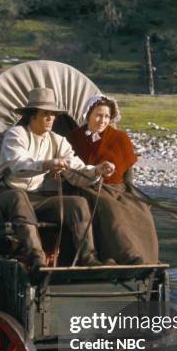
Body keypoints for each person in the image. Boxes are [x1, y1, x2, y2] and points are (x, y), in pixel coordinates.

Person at [0, 87, 115, 269]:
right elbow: (18, 165)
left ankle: (88, 259)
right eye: (45, 114)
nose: (50, 118)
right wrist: (48, 164)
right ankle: (36, 258)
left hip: (34, 198)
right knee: (19, 197)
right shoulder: (16, 135)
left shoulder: (58, 140)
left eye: (53, 115)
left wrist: (97, 170)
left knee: (77, 204)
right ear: (32, 116)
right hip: (4, 195)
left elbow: (76, 170)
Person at [67, 95, 159, 264]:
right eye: (98, 115)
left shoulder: (120, 138)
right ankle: (126, 256)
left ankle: (148, 258)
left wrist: (132, 192)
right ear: (88, 114)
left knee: (141, 209)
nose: (102, 120)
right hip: (90, 188)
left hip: (119, 188)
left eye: (106, 116)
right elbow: (72, 170)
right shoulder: (74, 138)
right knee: (110, 208)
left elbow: (128, 171)